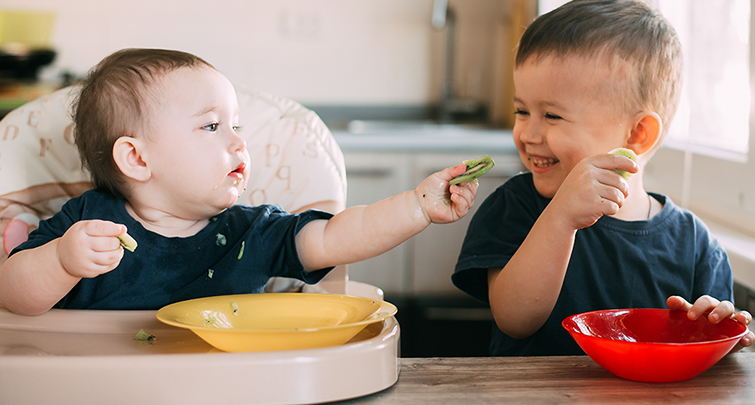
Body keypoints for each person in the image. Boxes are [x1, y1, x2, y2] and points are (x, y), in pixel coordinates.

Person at [0, 48, 478, 316]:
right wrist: (61, 261)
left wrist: (418, 206)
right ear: (136, 158)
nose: (237, 143)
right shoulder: (87, 223)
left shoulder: (253, 233)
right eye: (211, 127)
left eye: (237, 127)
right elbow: (12, 294)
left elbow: (338, 235)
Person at [452, 0, 754, 356]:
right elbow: (515, 319)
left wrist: (721, 338)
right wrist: (562, 216)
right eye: (522, 111)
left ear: (637, 134)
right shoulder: (516, 205)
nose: (528, 134)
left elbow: (714, 351)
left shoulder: (696, 246)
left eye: (551, 115)